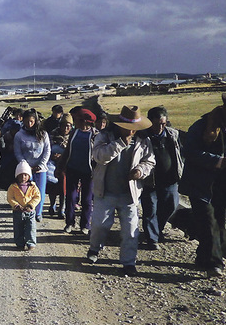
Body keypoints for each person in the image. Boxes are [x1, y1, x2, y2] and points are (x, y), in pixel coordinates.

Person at [87, 105, 155, 277]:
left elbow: (149, 161)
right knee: (99, 225)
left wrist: (140, 171)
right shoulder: (104, 136)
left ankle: (128, 262)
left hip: (130, 194)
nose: (131, 131)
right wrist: (120, 143)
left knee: (131, 230)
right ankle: (94, 249)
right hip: (106, 191)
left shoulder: (143, 140)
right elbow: (99, 156)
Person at [179, 94, 226, 278]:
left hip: (223, 186)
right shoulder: (201, 126)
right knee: (210, 225)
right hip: (201, 185)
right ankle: (215, 263)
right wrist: (218, 161)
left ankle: (202, 257)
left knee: (219, 223)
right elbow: (189, 151)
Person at [139, 106, 183, 250]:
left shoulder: (172, 134)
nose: (160, 127)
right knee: (150, 208)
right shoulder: (142, 137)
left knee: (171, 205)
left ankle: (157, 230)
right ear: (149, 122)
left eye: (163, 124)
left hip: (169, 179)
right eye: (157, 124)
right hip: (149, 180)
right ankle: (152, 239)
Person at [56, 108, 98, 235]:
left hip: (88, 172)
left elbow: (97, 155)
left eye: (76, 120)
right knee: (71, 197)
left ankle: (85, 225)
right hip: (72, 169)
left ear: (83, 121)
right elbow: (68, 151)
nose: (74, 123)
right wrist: (61, 166)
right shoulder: (74, 133)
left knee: (87, 199)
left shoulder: (95, 135)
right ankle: (69, 222)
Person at [14, 110, 50, 221]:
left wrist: (41, 164)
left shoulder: (43, 134)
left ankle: (38, 213)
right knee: (26, 191)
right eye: (27, 121)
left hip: (40, 168)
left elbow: (47, 150)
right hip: (26, 169)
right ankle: (27, 212)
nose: (29, 124)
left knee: (39, 191)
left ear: (35, 121)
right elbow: (17, 152)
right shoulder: (19, 135)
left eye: (31, 121)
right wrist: (25, 166)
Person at [7, 160, 41, 251]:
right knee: (18, 228)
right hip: (18, 211)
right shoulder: (13, 187)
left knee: (31, 228)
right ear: (16, 176)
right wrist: (16, 205)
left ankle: (31, 243)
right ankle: (19, 243)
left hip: (30, 211)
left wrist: (30, 205)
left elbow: (37, 197)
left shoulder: (33, 186)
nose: (23, 177)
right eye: (21, 175)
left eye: (26, 175)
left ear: (29, 176)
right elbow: (10, 198)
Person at [46, 113, 73, 219]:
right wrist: (52, 156)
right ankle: (52, 204)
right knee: (51, 181)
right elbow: (46, 148)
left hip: (66, 164)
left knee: (63, 183)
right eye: (64, 125)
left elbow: (74, 152)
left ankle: (62, 208)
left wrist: (63, 156)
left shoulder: (73, 136)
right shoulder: (52, 135)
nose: (66, 128)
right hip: (51, 162)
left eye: (68, 126)